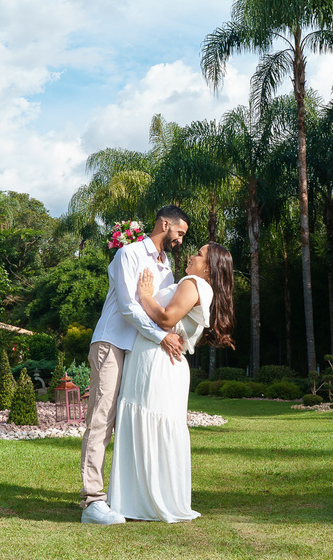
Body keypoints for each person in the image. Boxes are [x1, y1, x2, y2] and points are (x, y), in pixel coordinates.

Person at [107, 242, 235, 523]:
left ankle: (145, 501)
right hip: (157, 360)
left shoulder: (193, 283)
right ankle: (141, 498)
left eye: (199, 254)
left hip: (159, 363)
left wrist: (144, 296)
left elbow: (166, 319)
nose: (192, 255)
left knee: (148, 425)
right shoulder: (196, 285)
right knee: (146, 426)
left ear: (210, 268)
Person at [79, 205, 190, 525]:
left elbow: (160, 308)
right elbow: (129, 306)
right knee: (102, 419)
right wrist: (160, 337)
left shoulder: (166, 266)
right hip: (113, 343)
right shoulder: (128, 254)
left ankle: (123, 496)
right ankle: (92, 501)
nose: (180, 240)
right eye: (179, 233)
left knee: (129, 423)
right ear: (165, 224)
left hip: (141, 352)